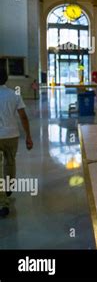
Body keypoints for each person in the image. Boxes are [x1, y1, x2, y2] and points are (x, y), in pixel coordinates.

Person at [0, 69, 33, 217]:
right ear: (6, 79)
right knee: (10, 162)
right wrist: (28, 136)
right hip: (11, 135)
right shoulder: (14, 94)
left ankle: (2, 203)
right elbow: (23, 117)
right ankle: (8, 188)